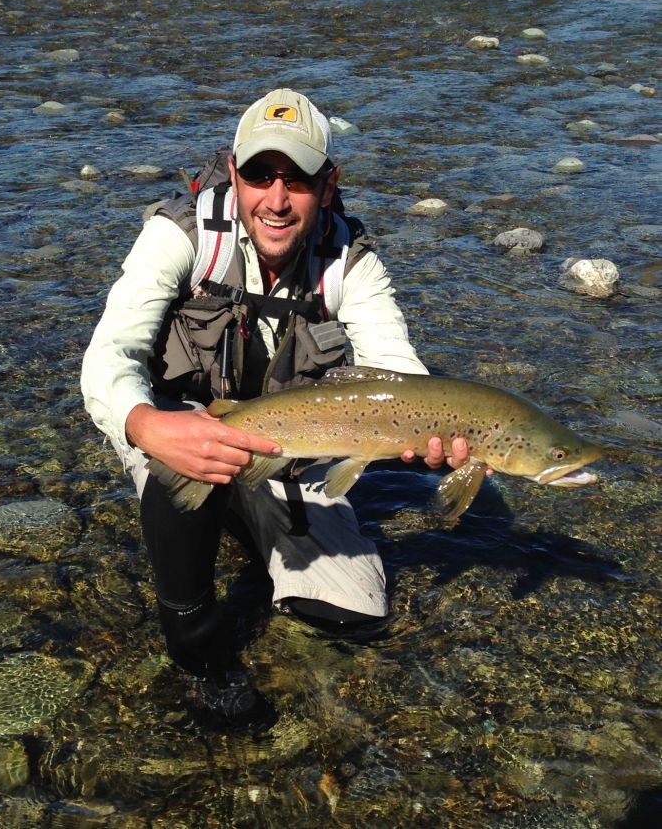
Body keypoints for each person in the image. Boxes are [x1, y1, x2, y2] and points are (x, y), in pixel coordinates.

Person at [80, 88, 471, 724]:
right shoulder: (180, 237)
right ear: (234, 174)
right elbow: (108, 358)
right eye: (260, 174)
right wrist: (147, 424)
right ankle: (195, 641)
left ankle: (243, 515)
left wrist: (437, 437)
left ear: (329, 183)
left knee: (355, 615)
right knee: (192, 466)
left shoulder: (352, 265)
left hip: (292, 458)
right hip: (183, 433)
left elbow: (400, 372)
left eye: (299, 178)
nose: (277, 199)